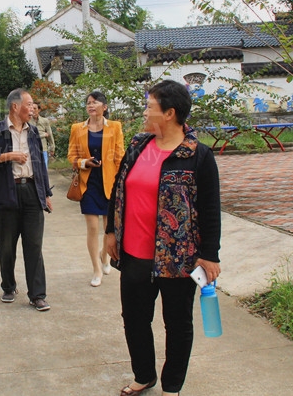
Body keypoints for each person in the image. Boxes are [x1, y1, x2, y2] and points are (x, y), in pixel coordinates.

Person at [105, 80, 221, 396]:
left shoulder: (198, 156)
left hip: (179, 260)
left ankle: (172, 386)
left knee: (177, 325)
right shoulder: (138, 146)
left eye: (149, 107)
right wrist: (110, 231)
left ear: (169, 113)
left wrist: (210, 254)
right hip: (133, 254)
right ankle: (144, 375)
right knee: (135, 320)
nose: (144, 112)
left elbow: (211, 209)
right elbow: (118, 190)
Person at [0, 89, 53, 311]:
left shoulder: (32, 132)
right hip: (6, 194)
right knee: (6, 246)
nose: (32, 109)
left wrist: (46, 193)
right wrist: (7, 156)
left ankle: (37, 294)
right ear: (15, 107)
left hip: (31, 192)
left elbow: (39, 162)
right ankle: (8, 287)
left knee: (34, 246)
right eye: (29, 104)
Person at [67, 91, 124, 287]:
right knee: (92, 228)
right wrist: (84, 162)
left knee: (110, 228)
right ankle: (96, 269)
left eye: (95, 102)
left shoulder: (115, 127)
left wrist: (120, 183)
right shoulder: (77, 128)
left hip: (110, 183)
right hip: (88, 183)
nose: (91, 105)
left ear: (104, 107)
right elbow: (71, 156)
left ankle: (105, 256)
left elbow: (120, 156)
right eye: (88, 103)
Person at [33, 102, 55, 168]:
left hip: (43, 148)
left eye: (34, 108)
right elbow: (29, 135)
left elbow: (50, 135)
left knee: (44, 169)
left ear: (39, 110)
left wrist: (52, 148)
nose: (33, 110)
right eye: (31, 108)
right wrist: (43, 134)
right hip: (31, 149)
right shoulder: (27, 121)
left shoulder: (45, 121)